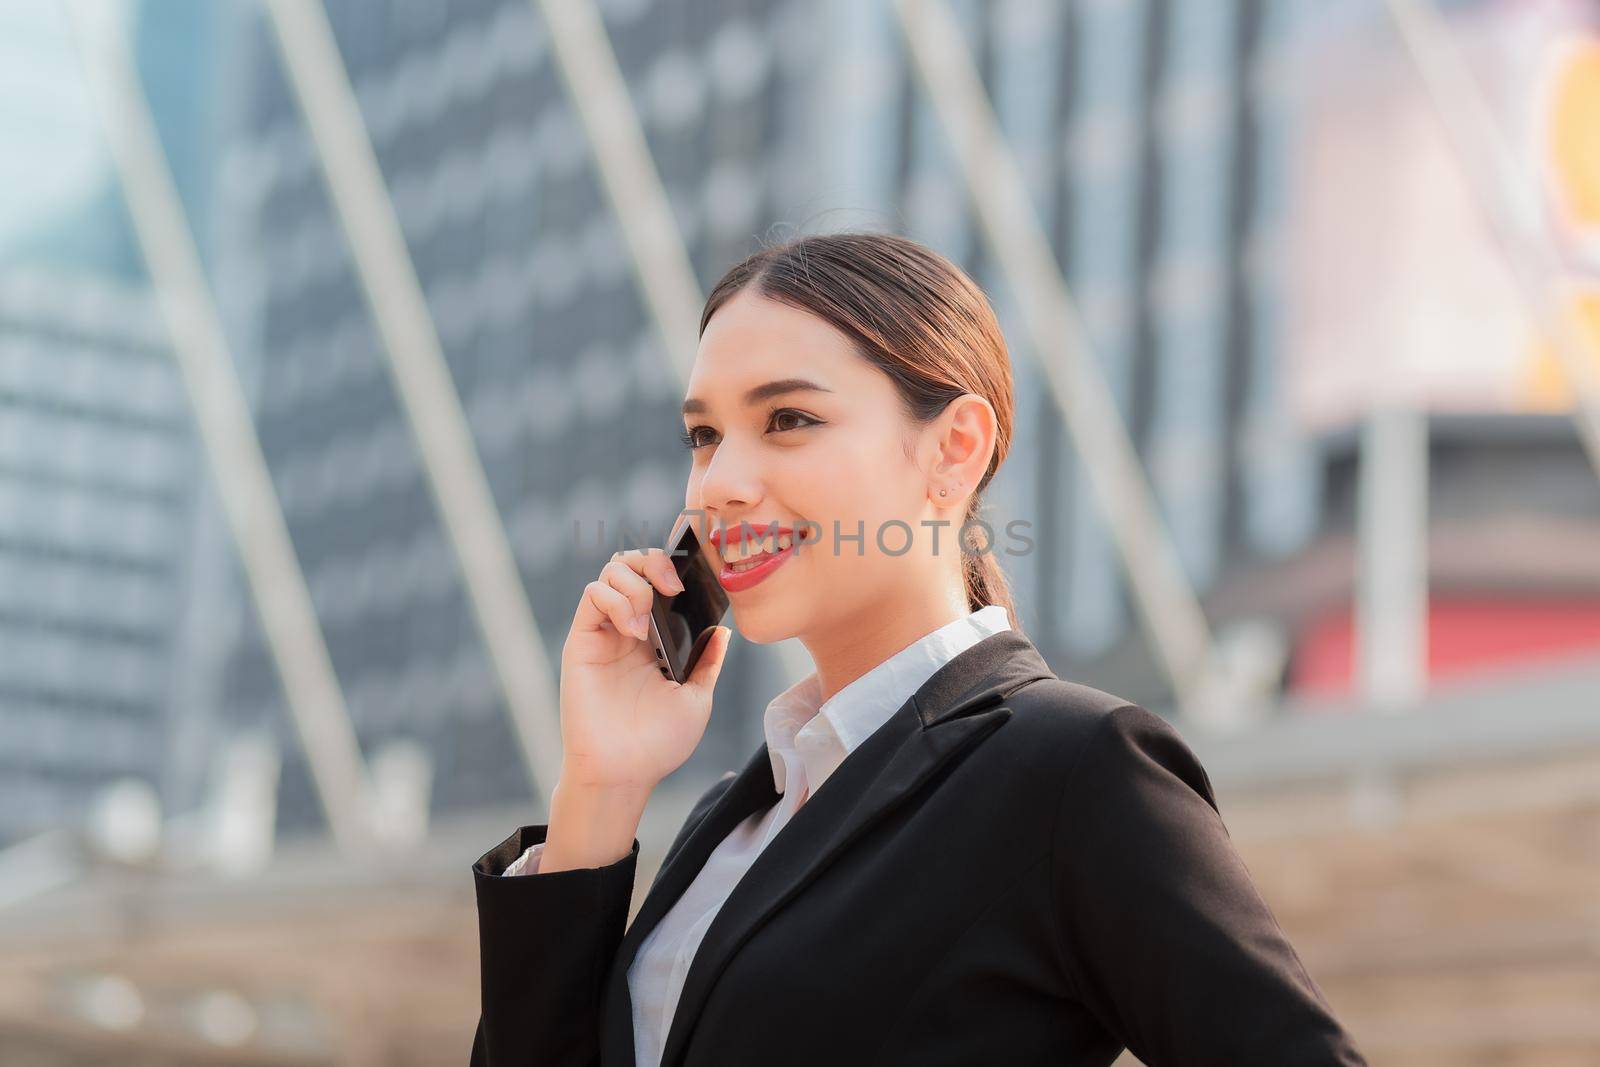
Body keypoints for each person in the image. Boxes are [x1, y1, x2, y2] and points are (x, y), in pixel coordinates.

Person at [467, 232, 1369, 1066]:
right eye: (705, 436)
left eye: (788, 419)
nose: (724, 484)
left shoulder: (1075, 772)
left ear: (954, 449)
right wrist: (599, 788)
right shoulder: (729, 820)